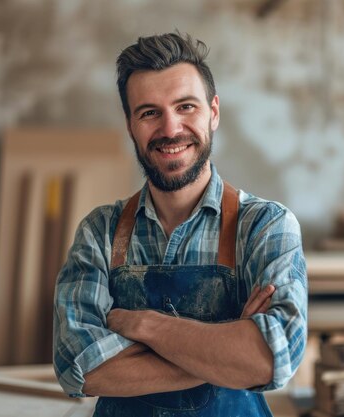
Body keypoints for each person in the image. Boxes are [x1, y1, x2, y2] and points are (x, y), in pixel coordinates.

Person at [53, 32, 308, 417]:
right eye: (149, 112)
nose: (171, 129)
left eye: (186, 106)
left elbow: (269, 359)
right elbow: (80, 367)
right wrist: (226, 344)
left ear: (214, 112)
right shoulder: (100, 232)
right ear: (130, 125)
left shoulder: (265, 226)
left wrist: (145, 327)